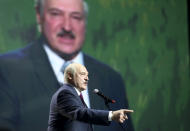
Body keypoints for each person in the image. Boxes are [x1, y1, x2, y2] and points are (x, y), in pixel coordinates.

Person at [0, 0, 134, 130]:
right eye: (56, 14)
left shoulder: (111, 79)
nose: (67, 26)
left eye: (76, 17)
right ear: (39, 15)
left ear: (85, 22)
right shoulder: (7, 70)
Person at [48, 63, 133, 131]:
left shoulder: (75, 94)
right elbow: (81, 113)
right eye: (82, 74)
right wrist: (111, 115)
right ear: (70, 76)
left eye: (87, 75)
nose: (87, 78)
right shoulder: (65, 93)